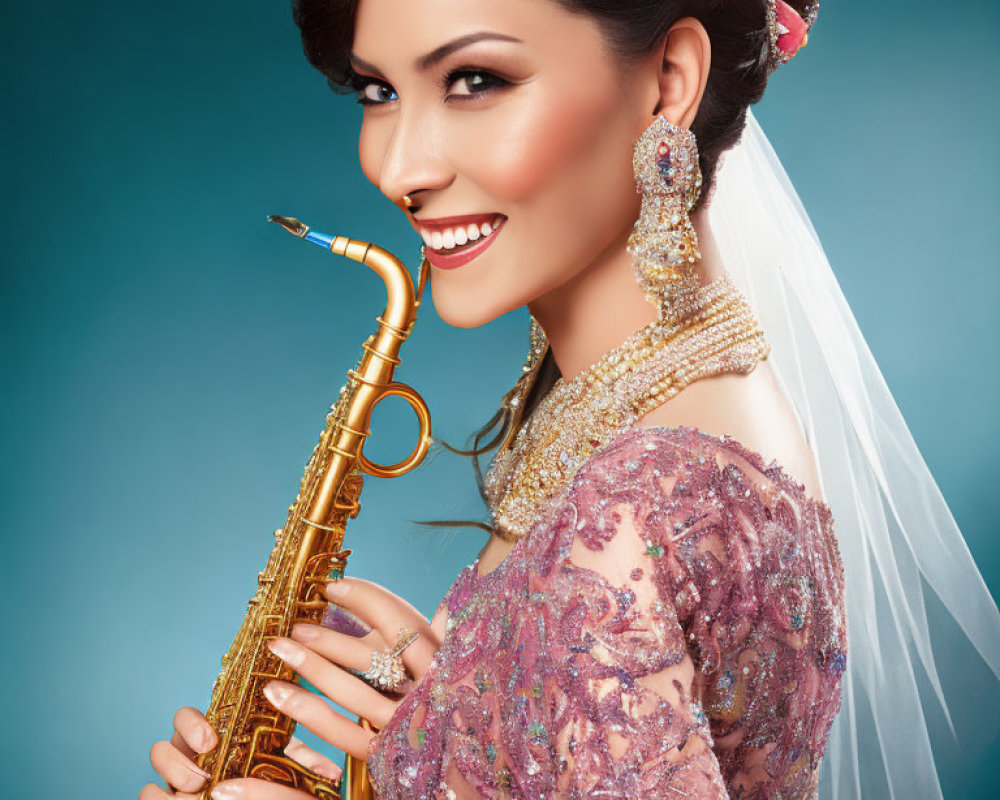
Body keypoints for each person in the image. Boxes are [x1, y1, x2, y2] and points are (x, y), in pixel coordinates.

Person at [140, 1, 1000, 799]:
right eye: (378, 90)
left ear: (670, 81)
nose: (397, 168)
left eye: (474, 81)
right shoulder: (697, 410)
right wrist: (465, 708)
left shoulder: (636, 508)